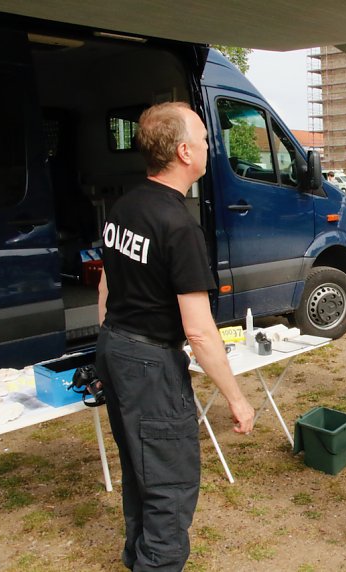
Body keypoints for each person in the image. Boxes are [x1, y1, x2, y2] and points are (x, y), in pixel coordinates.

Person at [96, 102, 255, 571]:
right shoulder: (178, 225)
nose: (209, 145)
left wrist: (112, 344)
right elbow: (199, 332)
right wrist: (237, 399)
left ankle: (137, 558)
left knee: (139, 470)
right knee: (168, 485)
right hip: (150, 365)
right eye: (204, 138)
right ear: (185, 152)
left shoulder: (124, 206)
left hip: (116, 347)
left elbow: (105, 286)